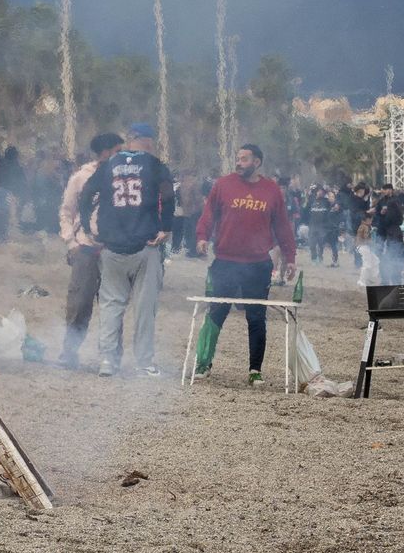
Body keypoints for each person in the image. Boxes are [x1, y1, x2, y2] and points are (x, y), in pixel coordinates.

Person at [194, 142, 296, 385]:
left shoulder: (271, 190)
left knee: (256, 317)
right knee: (216, 312)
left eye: (244, 159)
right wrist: (202, 237)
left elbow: (282, 225)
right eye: (238, 159)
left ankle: (255, 371)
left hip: (258, 265)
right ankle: (203, 363)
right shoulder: (223, 184)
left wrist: (290, 257)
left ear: (257, 162)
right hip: (225, 262)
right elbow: (208, 214)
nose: (239, 163)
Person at [78, 122, 175, 377]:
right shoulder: (155, 164)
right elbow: (167, 196)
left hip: (111, 246)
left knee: (111, 305)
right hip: (145, 246)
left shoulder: (108, 165)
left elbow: (86, 195)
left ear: (130, 140)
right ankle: (144, 363)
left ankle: (107, 361)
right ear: (149, 141)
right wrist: (166, 227)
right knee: (144, 308)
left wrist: (88, 228)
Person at [56, 132, 124, 370]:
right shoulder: (81, 177)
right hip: (85, 249)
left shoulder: (124, 178)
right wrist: (71, 243)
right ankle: (69, 352)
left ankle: (111, 357)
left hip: (114, 251)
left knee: (113, 305)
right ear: (105, 152)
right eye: (117, 151)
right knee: (79, 303)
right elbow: (66, 211)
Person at [372, 183, 404, 285]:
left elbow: (399, 217)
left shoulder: (396, 201)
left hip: (393, 230)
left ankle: (396, 280)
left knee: (394, 255)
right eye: (384, 189)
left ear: (391, 190)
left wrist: (387, 215)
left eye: (387, 189)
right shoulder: (381, 201)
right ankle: (384, 279)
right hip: (382, 230)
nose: (385, 191)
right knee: (381, 254)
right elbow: (377, 214)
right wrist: (381, 214)